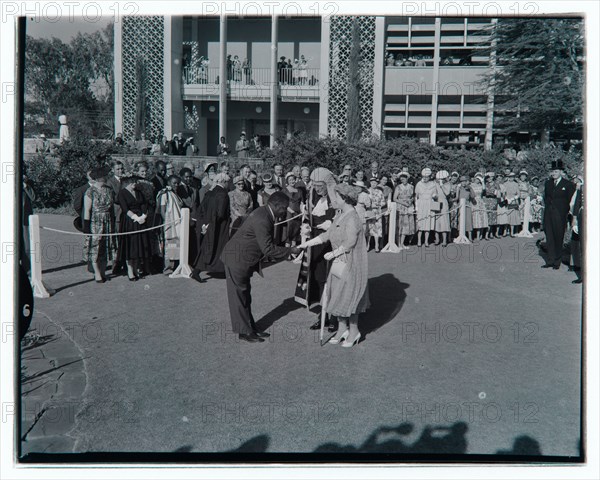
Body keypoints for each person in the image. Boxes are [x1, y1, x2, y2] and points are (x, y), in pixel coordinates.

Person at [221, 192, 299, 343]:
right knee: (238, 296)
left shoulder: (264, 212)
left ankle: (250, 327)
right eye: (284, 209)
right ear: (276, 205)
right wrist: (290, 251)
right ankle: (244, 332)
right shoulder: (263, 219)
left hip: (241, 259)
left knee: (244, 295)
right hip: (236, 259)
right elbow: (268, 249)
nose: (285, 212)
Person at [299, 183, 370, 348]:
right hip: (339, 262)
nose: (332, 200)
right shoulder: (340, 214)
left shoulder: (353, 217)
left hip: (351, 262)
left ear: (344, 198)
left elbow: (350, 242)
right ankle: (341, 329)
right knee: (337, 293)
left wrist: (333, 253)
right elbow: (328, 234)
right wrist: (307, 243)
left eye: (335, 197)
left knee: (350, 296)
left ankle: (354, 331)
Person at [294, 167, 337, 332]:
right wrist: (305, 224)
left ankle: (334, 316)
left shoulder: (335, 195)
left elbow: (343, 217)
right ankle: (323, 315)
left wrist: (332, 223)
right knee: (318, 279)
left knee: (331, 279)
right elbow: (307, 215)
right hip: (315, 243)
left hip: (332, 243)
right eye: (315, 185)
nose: (317, 188)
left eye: (320, 185)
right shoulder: (311, 194)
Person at [192, 172, 231, 280]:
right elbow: (221, 213)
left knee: (207, 248)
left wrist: (205, 224)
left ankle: (196, 271)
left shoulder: (210, 192)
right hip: (219, 226)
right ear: (223, 182)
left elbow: (202, 209)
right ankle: (224, 271)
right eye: (228, 182)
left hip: (208, 223)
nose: (229, 184)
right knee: (221, 247)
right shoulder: (223, 194)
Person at [82, 166, 117, 283]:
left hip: (107, 220)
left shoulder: (109, 190)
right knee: (95, 248)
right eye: (103, 176)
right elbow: (87, 210)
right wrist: (86, 227)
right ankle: (97, 273)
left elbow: (112, 208)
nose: (106, 177)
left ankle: (102, 272)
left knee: (106, 247)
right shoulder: (90, 191)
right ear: (98, 178)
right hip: (95, 222)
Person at [117, 175, 152, 281]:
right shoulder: (122, 193)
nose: (134, 185)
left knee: (138, 246)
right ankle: (130, 271)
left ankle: (137, 269)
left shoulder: (138, 192)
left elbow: (144, 204)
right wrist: (135, 217)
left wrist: (143, 216)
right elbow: (124, 208)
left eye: (135, 183)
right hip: (129, 221)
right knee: (130, 246)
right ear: (128, 183)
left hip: (140, 221)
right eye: (132, 183)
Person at [542, 160, 576, 270]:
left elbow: (571, 201)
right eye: (552, 171)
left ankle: (557, 261)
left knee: (558, 237)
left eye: (556, 171)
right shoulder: (548, 183)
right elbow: (546, 198)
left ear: (561, 172)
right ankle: (550, 260)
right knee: (550, 237)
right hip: (548, 214)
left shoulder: (568, 184)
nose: (554, 173)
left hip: (560, 215)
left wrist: (567, 215)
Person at [156, 175, 183, 274]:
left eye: (177, 183)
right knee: (170, 245)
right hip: (170, 223)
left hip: (177, 223)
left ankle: (175, 266)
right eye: (174, 183)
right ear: (169, 183)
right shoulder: (165, 194)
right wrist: (167, 223)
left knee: (176, 245)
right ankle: (168, 268)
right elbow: (163, 210)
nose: (176, 185)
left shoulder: (175, 194)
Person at [414, 168, 437, 247]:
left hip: (429, 204)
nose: (425, 178)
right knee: (420, 223)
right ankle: (419, 241)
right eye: (424, 176)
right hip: (421, 204)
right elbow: (416, 196)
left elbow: (434, 194)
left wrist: (434, 196)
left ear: (430, 177)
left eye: (427, 177)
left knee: (428, 223)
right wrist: (416, 207)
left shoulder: (433, 184)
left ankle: (426, 241)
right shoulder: (419, 184)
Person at [394, 172, 415, 249]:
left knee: (406, 226)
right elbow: (394, 198)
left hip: (409, 207)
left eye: (405, 178)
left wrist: (410, 201)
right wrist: (403, 203)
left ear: (407, 178)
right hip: (401, 208)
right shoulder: (398, 187)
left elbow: (413, 197)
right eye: (402, 178)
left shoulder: (411, 187)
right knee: (400, 225)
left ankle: (402, 243)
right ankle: (398, 243)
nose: (403, 179)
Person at [569, 175, 583, 284]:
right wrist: (574, 219)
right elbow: (577, 204)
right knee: (583, 247)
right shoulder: (581, 188)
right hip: (583, 218)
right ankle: (583, 275)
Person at [283, 172, 303, 247]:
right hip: (289, 214)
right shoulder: (284, 191)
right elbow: (284, 203)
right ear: (287, 181)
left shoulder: (299, 191)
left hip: (298, 214)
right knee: (289, 232)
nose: (292, 181)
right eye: (290, 180)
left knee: (296, 232)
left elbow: (301, 202)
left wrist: (301, 212)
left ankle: (294, 252)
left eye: (293, 179)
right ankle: (287, 253)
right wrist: (292, 212)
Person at [433, 170, 451, 246]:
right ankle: (437, 239)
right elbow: (433, 193)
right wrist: (434, 196)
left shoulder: (447, 184)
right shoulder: (435, 184)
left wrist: (442, 185)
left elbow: (447, 193)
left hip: (444, 203)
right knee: (436, 221)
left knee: (444, 221)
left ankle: (444, 240)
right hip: (437, 202)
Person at [367, 177, 385, 252]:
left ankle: (376, 245)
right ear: (370, 183)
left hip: (377, 212)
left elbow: (383, 202)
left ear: (377, 184)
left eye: (375, 183)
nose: (373, 184)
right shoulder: (367, 191)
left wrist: (378, 205)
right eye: (372, 182)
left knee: (377, 229)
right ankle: (367, 245)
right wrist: (370, 205)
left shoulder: (379, 192)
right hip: (369, 211)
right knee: (369, 229)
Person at [456, 176, 475, 241]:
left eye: (465, 181)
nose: (463, 183)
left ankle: (470, 237)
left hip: (467, 205)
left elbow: (473, 196)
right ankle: (460, 235)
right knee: (460, 220)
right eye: (462, 181)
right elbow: (456, 198)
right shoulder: (458, 188)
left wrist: (470, 188)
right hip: (460, 205)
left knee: (468, 220)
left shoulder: (469, 188)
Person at [470, 173, 489, 241]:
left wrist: (482, 181)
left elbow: (484, 189)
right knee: (474, 218)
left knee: (481, 219)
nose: (477, 180)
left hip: (480, 202)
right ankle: (473, 235)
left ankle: (480, 235)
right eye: (477, 178)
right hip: (474, 202)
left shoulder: (481, 185)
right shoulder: (471, 185)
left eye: (479, 179)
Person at [503, 172, 522, 236]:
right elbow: (503, 193)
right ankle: (505, 231)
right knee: (506, 216)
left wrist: (514, 198)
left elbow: (519, 194)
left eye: (513, 177)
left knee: (513, 216)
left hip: (513, 201)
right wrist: (506, 199)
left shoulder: (516, 184)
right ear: (508, 177)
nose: (511, 178)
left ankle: (512, 232)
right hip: (507, 201)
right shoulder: (505, 184)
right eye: (510, 177)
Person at [483, 173, 499, 239]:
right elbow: (483, 193)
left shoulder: (496, 184)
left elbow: (497, 194)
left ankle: (491, 233)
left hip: (493, 201)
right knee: (487, 217)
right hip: (486, 201)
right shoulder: (485, 184)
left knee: (493, 218)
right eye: (488, 178)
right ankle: (486, 234)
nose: (489, 179)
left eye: (491, 177)